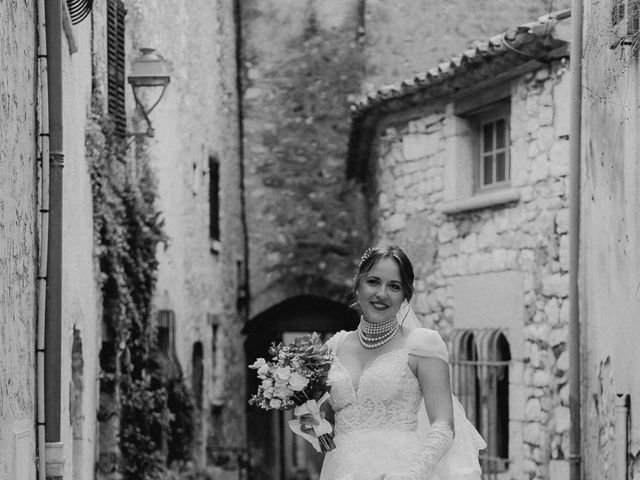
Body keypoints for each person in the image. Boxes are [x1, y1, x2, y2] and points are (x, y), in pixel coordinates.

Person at [300, 244, 485, 480]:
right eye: (374, 282)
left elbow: (443, 424)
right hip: (340, 470)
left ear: (405, 296)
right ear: (358, 286)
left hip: (399, 470)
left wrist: (411, 475)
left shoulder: (422, 345)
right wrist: (314, 427)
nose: (382, 293)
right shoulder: (335, 346)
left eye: (394, 286)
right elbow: (327, 426)